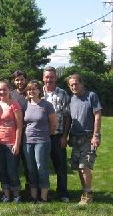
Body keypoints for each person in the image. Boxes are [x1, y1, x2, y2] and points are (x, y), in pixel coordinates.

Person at [67, 74, 102, 205]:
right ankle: (85, 193)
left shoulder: (91, 96)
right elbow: (70, 119)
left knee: (84, 167)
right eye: (71, 85)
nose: (74, 87)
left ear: (82, 83)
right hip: (75, 138)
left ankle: (88, 195)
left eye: (76, 84)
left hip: (88, 137)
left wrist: (96, 135)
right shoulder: (71, 99)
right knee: (78, 167)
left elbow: (97, 115)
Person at [23, 80, 56, 203]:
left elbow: (53, 124)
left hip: (42, 140)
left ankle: (43, 197)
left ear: (39, 91)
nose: (32, 91)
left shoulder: (47, 105)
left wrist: (48, 135)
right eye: (29, 89)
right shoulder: (25, 105)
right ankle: (33, 196)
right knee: (31, 168)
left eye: (34, 89)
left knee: (41, 167)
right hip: (27, 141)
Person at [0, 81, 23, 203]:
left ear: (9, 90)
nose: (2, 92)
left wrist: (17, 143)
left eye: (4, 89)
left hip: (11, 143)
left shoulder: (14, 105)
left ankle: (16, 195)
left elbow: (19, 126)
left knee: (12, 170)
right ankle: (6, 194)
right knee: (2, 170)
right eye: (0, 90)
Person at [42, 66, 70, 202]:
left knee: (60, 166)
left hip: (57, 136)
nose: (49, 79)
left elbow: (67, 117)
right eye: (47, 77)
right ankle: (41, 191)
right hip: (40, 136)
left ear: (55, 78)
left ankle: (63, 192)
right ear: (43, 78)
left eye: (52, 77)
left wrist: (65, 136)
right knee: (40, 165)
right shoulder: (36, 92)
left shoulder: (62, 94)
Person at [10, 70, 29, 191]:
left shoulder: (30, 92)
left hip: (28, 133)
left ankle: (30, 187)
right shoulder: (11, 94)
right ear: (14, 81)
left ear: (25, 80)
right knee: (14, 163)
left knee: (29, 163)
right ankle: (15, 188)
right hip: (14, 133)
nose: (20, 82)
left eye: (22, 79)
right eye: (17, 79)